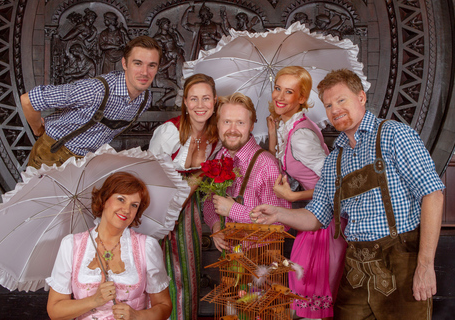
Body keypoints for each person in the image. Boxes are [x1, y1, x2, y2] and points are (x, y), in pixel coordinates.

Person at [252, 69, 445, 319]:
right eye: (329, 105)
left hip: (400, 261)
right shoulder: (335, 159)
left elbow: (433, 194)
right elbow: (316, 216)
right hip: (355, 266)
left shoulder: (395, 135)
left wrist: (425, 265)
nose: (335, 110)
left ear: (361, 97)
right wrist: (278, 213)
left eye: (341, 100)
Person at [266, 66, 346, 320]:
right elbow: (281, 168)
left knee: (307, 291)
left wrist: (293, 197)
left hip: (325, 220)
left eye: (288, 91)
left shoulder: (300, 135)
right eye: (277, 88)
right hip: (314, 217)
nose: (279, 95)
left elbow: (336, 182)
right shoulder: (291, 127)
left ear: (301, 98)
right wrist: (271, 135)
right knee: (304, 290)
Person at [21, 36, 162, 169]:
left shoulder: (144, 100)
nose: (144, 72)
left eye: (151, 65)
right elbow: (28, 100)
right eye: (137, 63)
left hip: (87, 162)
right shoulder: (95, 90)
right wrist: (38, 129)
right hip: (53, 155)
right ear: (125, 63)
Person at [46, 172, 172, 320]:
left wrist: (137, 316)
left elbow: (164, 306)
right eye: (121, 199)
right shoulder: (71, 245)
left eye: (134, 205)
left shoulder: (147, 247)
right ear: (104, 200)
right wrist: (94, 300)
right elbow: (55, 311)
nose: (126, 210)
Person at [148, 73, 221, 320]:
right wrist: (163, 216)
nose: (200, 105)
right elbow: (149, 177)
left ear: (215, 101)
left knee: (187, 274)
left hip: (189, 212)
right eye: (194, 99)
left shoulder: (215, 136)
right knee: (160, 273)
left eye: (206, 98)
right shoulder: (169, 132)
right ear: (186, 104)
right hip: (158, 208)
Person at [203, 92, 291, 252]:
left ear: (251, 126)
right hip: (230, 261)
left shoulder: (267, 165)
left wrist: (233, 210)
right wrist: (215, 225)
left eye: (240, 123)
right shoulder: (219, 156)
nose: (232, 130)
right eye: (227, 121)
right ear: (218, 124)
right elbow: (210, 202)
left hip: (262, 260)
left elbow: (282, 224)